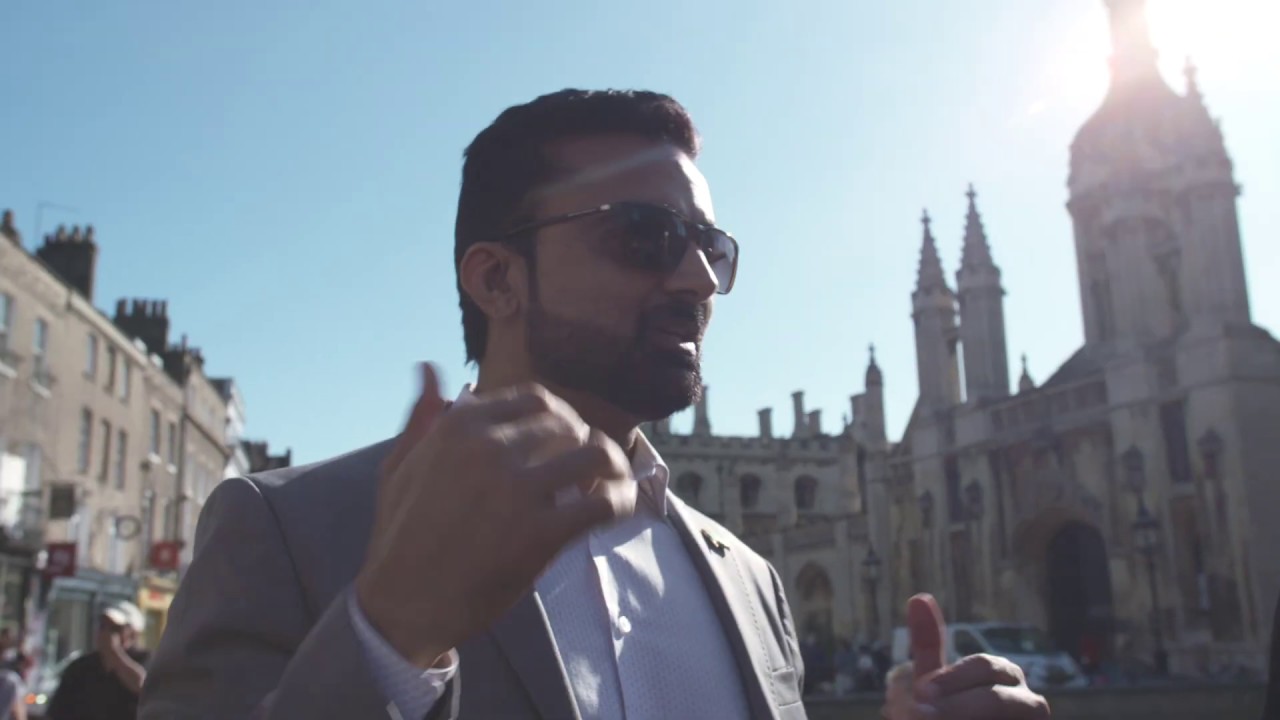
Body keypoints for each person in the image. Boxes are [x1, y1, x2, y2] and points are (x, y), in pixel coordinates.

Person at [139, 89, 1050, 719]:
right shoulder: (287, 531)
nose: (697, 278)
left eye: (712, 248)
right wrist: (386, 637)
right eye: (646, 235)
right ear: (497, 277)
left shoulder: (750, 580)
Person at [46, 601, 148, 720]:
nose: (106, 633)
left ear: (133, 633)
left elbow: (143, 686)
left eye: (115, 629)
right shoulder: (81, 667)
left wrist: (114, 653)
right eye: (102, 626)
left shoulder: (145, 660)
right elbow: (58, 710)